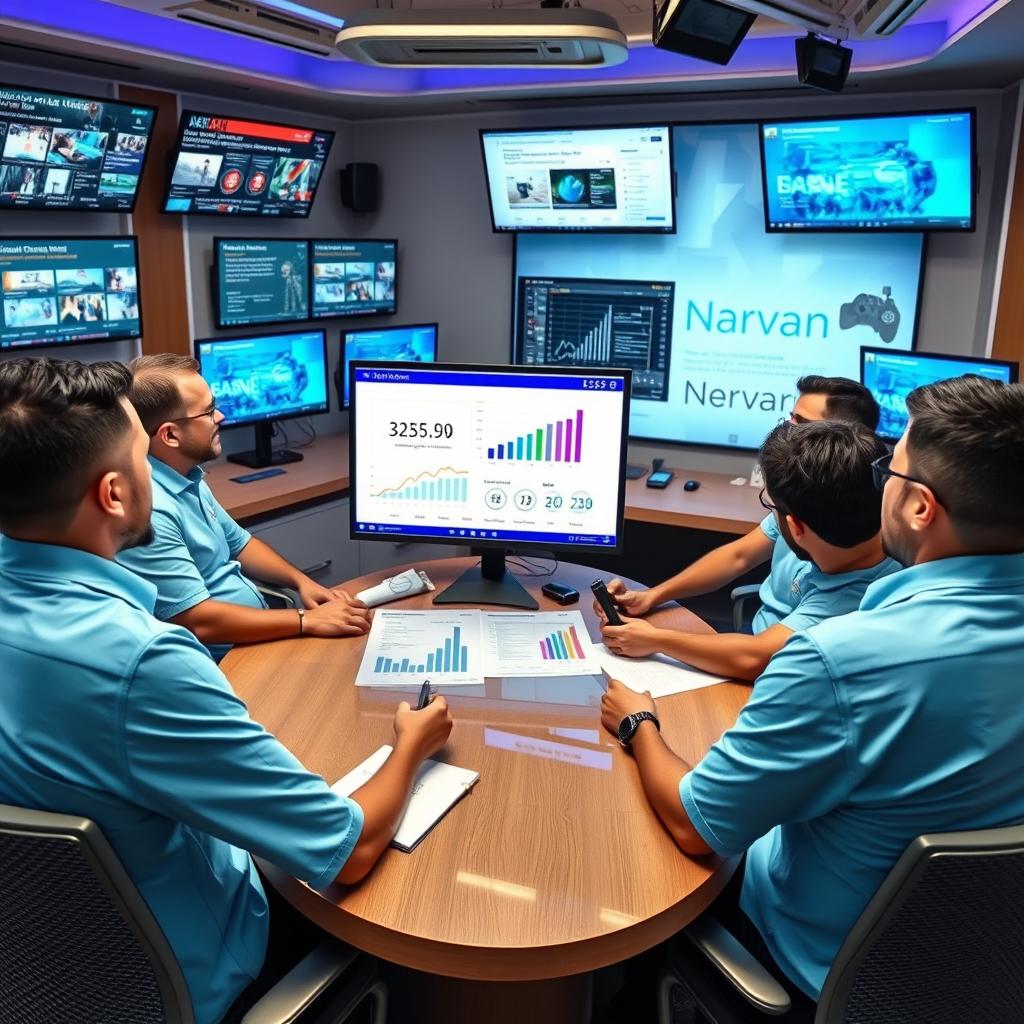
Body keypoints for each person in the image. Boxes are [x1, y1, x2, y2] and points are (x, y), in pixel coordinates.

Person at [0, 357, 455, 1024]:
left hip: (46, 967)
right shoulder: (146, 663)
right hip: (188, 974)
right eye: (138, 457)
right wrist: (411, 747)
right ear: (115, 494)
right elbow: (348, 851)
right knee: (415, 915)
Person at [600, 374, 1024, 1018]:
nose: (880, 481)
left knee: (625, 854)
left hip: (821, 969)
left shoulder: (839, 662)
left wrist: (639, 724)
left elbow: (695, 828)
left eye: (894, 470)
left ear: (919, 508)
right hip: (981, 969)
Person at [597, 376, 882, 675]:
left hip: (771, 666)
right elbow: (738, 556)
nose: (788, 430)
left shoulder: (853, 577)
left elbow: (757, 659)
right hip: (753, 642)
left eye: (801, 423)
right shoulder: (805, 501)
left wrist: (656, 640)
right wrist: (652, 596)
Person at [116, 354, 371, 662]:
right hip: (223, 661)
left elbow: (240, 544)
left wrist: (300, 582)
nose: (220, 416)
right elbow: (198, 620)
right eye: (208, 412)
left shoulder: (187, 475)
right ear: (170, 434)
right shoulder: (151, 510)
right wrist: (306, 620)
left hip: (255, 638)